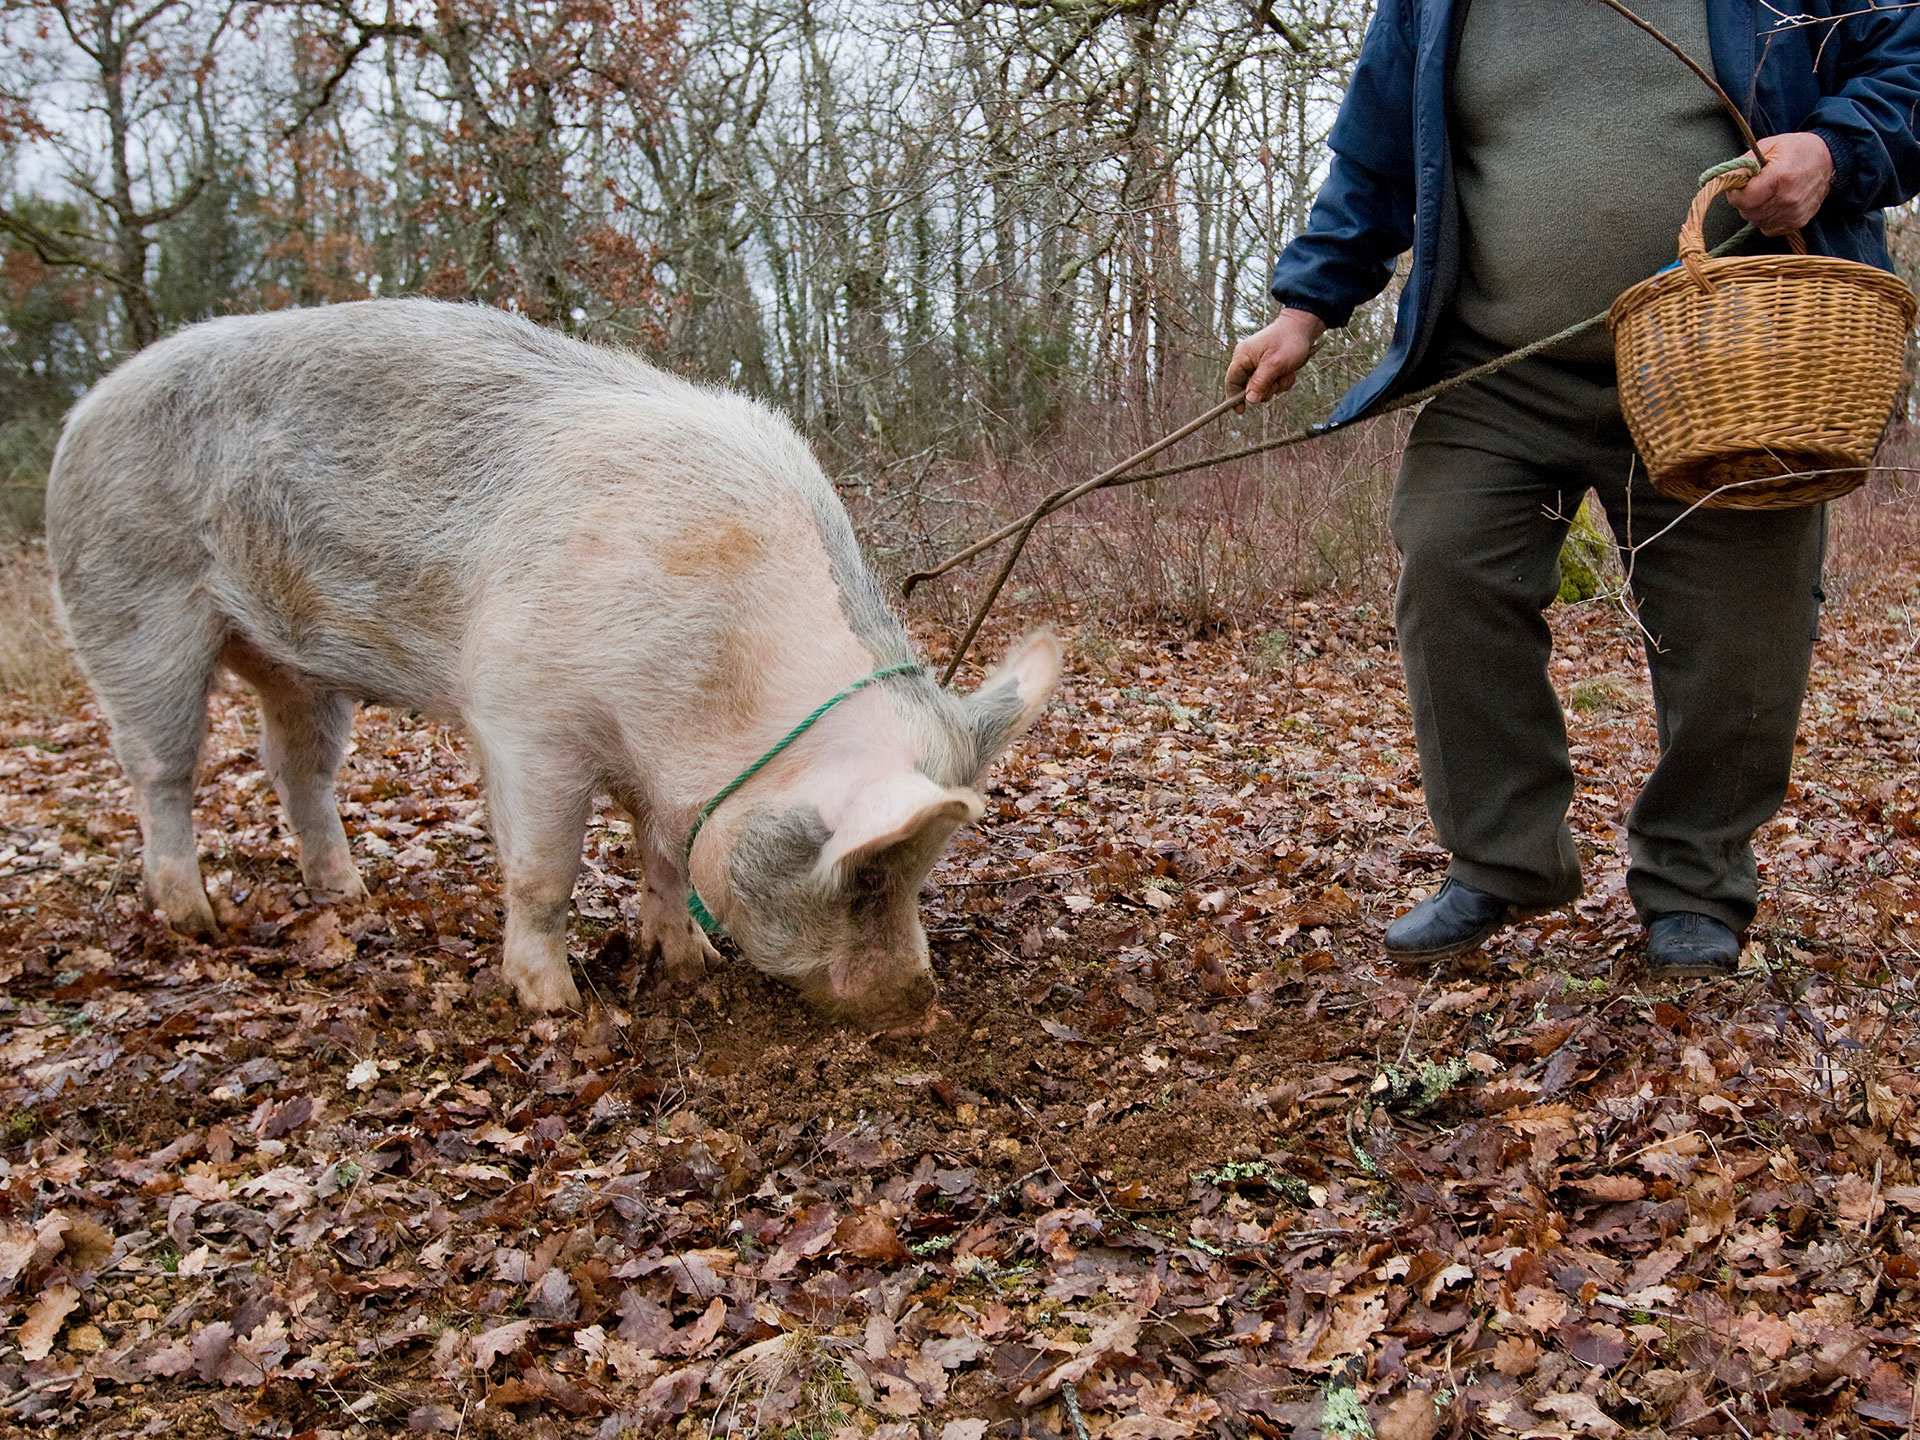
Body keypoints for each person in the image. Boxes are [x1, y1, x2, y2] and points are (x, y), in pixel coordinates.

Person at [1228, 2, 1920, 978]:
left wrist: (1834, 148)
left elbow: (1909, 60)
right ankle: (1504, 858)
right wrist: (1306, 307)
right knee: (1449, 558)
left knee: (1741, 635)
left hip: (1732, 361)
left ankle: (1694, 881)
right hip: (1503, 363)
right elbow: (1377, 157)